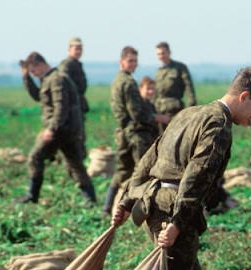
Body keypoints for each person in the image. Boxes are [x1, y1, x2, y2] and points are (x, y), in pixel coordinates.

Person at [112, 67, 251, 270]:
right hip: (171, 207)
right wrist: (176, 223)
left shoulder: (188, 113)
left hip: (152, 201)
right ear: (244, 97)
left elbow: (149, 158)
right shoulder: (218, 125)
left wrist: (128, 199)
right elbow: (196, 178)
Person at [18, 52, 96, 204]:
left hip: (61, 131)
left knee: (35, 158)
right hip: (65, 130)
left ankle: (32, 196)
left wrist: (51, 129)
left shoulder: (56, 79)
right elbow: (38, 96)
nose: (34, 75)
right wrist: (26, 77)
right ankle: (90, 200)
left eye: (33, 71)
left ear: (40, 65)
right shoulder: (48, 79)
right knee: (75, 164)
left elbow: (61, 108)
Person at [102, 46, 169, 214]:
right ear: (121, 61)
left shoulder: (117, 80)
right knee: (144, 171)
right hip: (135, 134)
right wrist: (156, 118)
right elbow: (137, 113)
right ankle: (141, 210)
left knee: (122, 171)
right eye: (130, 61)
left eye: (135, 61)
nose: (134, 64)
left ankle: (107, 207)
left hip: (123, 132)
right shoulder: (128, 82)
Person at [153, 42, 197, 120]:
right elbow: (155, 93)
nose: (161, 56)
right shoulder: (159, 71)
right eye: (158, 54)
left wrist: (191, 109)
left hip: (174, 111)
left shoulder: (179, 68)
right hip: (159, 111)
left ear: (169, 53)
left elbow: (189, 88)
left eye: (163, 53)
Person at [59, 37, 89, 132]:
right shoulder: (67, 65)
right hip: (70, 107)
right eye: (76, 48)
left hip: (77, 105)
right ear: (69, 49)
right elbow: (63, 85)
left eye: (80, 49)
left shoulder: (77, 64)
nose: (79, 51)